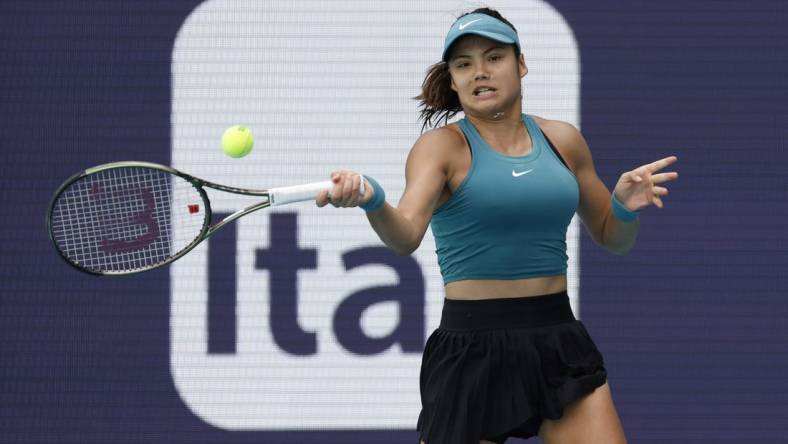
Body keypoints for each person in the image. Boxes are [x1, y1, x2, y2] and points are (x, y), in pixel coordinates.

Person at [316, 7, 678, 444]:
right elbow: (405, 236)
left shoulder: (562, 140)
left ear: (520, 64)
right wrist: (371, 199)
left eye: (493, 58)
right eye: (463, 64)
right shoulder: (441, 148)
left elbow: (612, 238)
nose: (479, 73)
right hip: (471, 350)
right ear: (452, 79)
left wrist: (622, 207)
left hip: (558, 339)